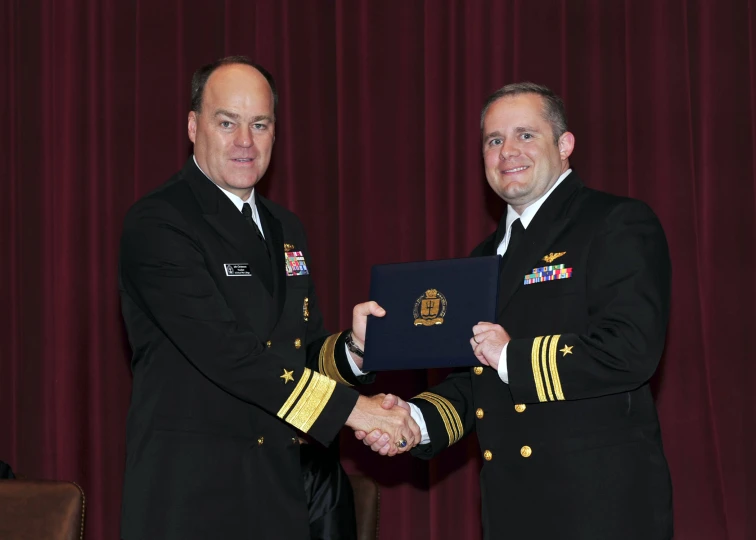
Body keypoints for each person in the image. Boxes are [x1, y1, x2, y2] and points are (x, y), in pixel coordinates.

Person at [118, 56, 419, 540]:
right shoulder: (158, 224)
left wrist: (356, 350)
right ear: (193, 126)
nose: (245, 141)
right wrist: (353, 411)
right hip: (190, 500)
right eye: (227, 122)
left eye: (259, 124)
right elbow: (232, 355)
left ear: (275, 132)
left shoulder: (286, 228)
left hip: (278, 494)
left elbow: (297, 350)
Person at [359, 82, 673, 539]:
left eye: (525, 135)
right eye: (494, 140)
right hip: (510, 512)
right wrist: (414, 420)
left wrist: (512, 357)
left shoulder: (615, 223)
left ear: (564, 145)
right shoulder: (481, 260)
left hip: (600, 511)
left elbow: (630, 349)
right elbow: (474, 380)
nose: (508, 151)